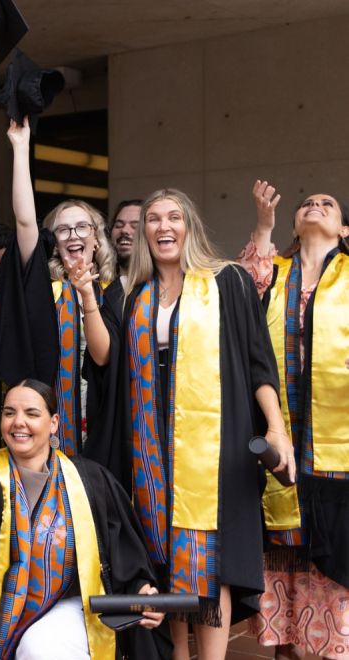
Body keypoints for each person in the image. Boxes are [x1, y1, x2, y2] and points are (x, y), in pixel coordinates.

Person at [119, 187, 293, 660]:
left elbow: (260, 360)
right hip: (152, 447)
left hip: (212, 447)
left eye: (173, 217)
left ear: (189, 226)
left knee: (206, 556)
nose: (162, 227)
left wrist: (276, 428)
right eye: (153, 219)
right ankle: (180, 653)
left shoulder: (227, 281)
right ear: (144, 234)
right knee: (166, 553)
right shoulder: (136, 299)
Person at [0, 379, 165, 660]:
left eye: (31, 413)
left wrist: (142, 592)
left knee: (41, 646)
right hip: (4, 618)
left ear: (53, 423)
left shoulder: (89, 479)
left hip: (76, 607)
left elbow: (125, 553)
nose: (18, 422)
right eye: (9, 413)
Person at [240, 180, 349, 660]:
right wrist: (263, 225)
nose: (316, 206)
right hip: (281, 428)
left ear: (344, 228)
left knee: (334, 551)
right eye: (307, 203)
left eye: (328, 204)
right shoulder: (275, 273)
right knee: (283, 555)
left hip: (338, 440)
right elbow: (241, 292)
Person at [0, 118, 122, 460]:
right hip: (49, 422)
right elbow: (25, 221)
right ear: (54, 243)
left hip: (105, 420)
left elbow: (105, 358)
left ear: (96, 236)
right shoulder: (45, 292)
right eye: (63, 230)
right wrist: (21, 148)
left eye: (81, 227)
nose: (73, 235)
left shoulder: (118, 292)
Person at [109, 200, 142, 289]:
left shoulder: (163, 285)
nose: (124, 230)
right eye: (119, 225)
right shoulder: (97, 286)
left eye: (135, 226)